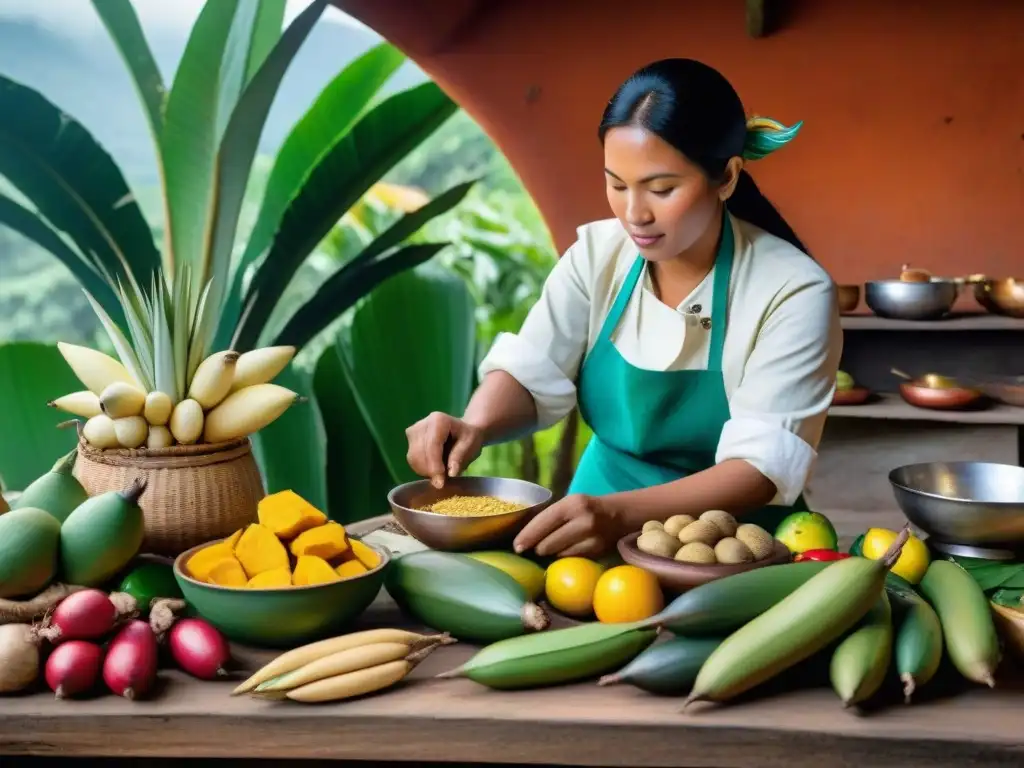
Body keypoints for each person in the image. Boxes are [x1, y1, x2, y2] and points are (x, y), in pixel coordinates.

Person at [404, 58, 842, 558]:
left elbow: (761, 468)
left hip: (732, 546)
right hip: (589, 529)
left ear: (726, 177)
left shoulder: (791, 289)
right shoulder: (597, 256)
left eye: (661, 189)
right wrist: (474, 425)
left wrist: (619, 515)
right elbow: (533, 370)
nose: (635, 213)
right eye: (617, 184)